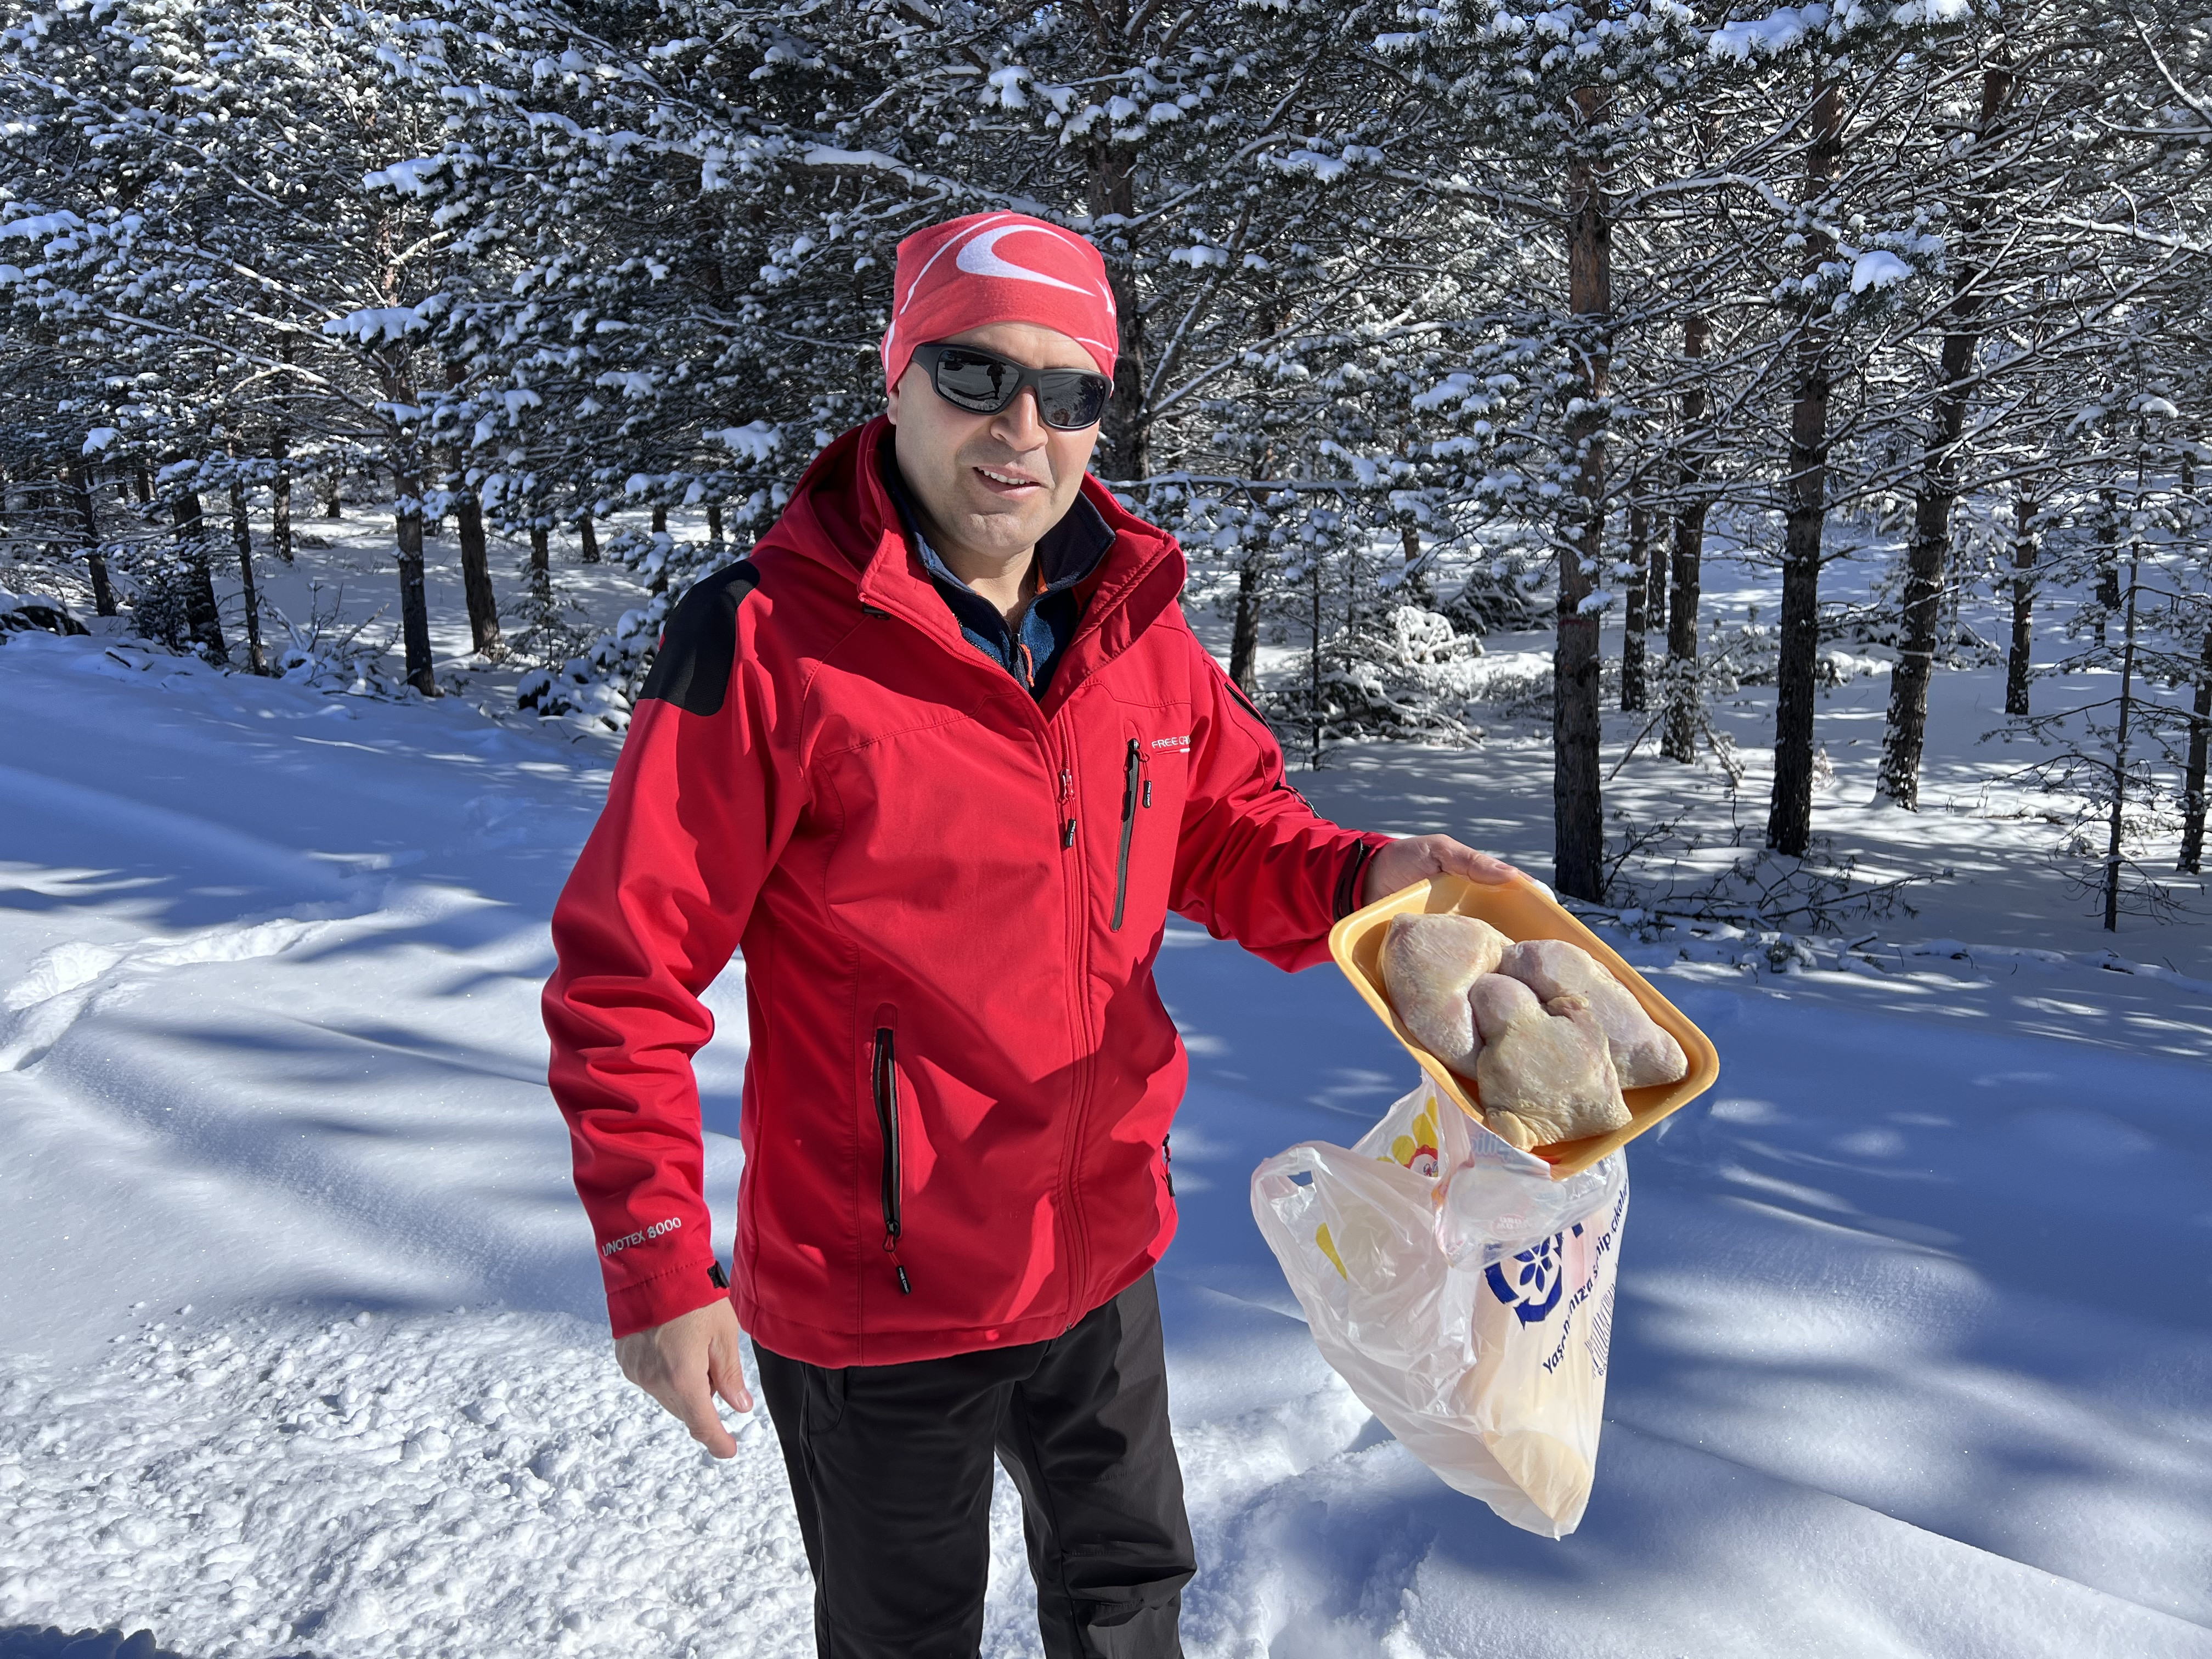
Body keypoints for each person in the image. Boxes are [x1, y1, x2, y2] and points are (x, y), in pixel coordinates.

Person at [543, 210, 1514, 1659]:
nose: (1023, 428)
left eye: (1069, 393)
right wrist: (656, 1264)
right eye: (976, 375)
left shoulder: (1135, 628)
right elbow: (627, 973)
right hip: (879, 1294)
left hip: (1098, 1247)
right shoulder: (762, 645)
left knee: (1130, 1605)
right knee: (903, 1637)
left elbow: (1227, 830)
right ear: (894, 380)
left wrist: (1372, 874)